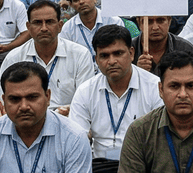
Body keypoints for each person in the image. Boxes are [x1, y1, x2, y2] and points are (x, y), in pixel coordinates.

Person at [69, 25, 163, 161]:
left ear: (131, 54)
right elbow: (77, 139)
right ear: (96, 60)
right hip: (100, 169)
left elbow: (160, 139)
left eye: (118, 53)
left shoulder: (154, 87)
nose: (111, 61)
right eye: (104, 56)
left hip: (143, 166)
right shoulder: (86, 91)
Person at [0, 0, 96, 111]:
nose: (44, 28)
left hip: (68, 120)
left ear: (60, 26)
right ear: (28, 27)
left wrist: (66, 113)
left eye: (49, 22)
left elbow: (86, 101)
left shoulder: (80, 55)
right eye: (37, 22)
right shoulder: (14, 58)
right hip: (27, 120)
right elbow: (3, 102)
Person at [58, 0, 123, 52]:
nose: (81, 2)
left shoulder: (113, 22)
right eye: (76, 0)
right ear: (71, 4)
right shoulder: (68, 28)